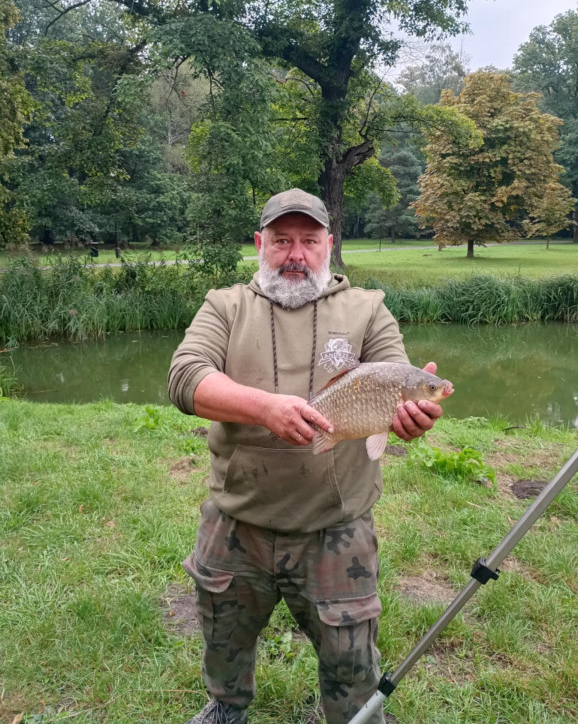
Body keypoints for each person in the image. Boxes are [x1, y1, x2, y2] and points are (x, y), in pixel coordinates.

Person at [168, 188, 444, 724]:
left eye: (309, 241)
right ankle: (227, 706)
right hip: (237, 521)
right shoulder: (224, 305)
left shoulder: (368, 308)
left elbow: (395, 377)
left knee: (351, 664)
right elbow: (185, 378)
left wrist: (411, 417)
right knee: (223, 638)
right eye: (282, 240)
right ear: (260, 244)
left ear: (328, 244)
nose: (296, 255)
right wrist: (265, 408)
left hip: (334, 529)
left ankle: (352, 716)